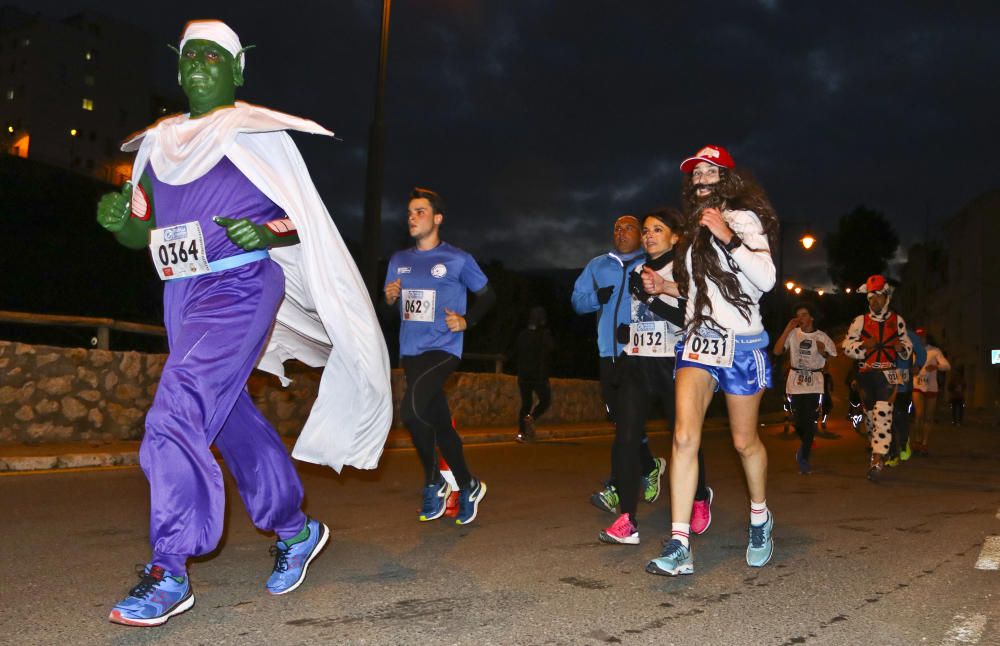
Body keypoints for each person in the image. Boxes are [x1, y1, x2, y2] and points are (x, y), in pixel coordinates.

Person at [96, 21, 392, 627]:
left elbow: (299, 220)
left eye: (212, 56)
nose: (198, 65)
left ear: (237, 69)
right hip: (181, 295)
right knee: (227, 417)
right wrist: (118, 224)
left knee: (175, 410)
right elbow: (141, 228)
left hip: (240, 286)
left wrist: (263, 232)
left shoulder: (256, 135)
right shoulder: (158, 143)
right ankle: (295, 526)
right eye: (189, 57)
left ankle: (169, 567)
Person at [646, 145, 778, 577]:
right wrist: (665, 289)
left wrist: (728, 235)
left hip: (742, 345)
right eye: (695, 174)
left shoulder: (742, 220)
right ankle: (679, 543)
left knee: (744, 442)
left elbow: (766, 280)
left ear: (726, 179)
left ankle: (760, 517)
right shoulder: (689, 235)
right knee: (685, 438)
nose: (701, 178)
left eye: (709, 171)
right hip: (698, 343)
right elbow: (702, 293)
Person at [598, 208, 713, 545]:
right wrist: (625, 332)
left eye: (657, 230)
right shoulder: (635, 268)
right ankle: (627, 519)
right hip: (638, 361)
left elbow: (688, 317)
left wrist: (651, 295)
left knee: (684, 438)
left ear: (675, 236)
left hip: (676, 364)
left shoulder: (685, 271)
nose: (648, 236)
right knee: (626, 437)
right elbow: (636, 316)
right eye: (646, 230)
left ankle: (699, 496)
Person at [384, 187, 496, 525]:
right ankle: (468, 484)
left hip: (444, 348)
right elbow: (391, 312)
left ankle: (433, 483)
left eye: (419, 211)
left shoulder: (457, 259)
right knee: (439, 423)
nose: (412, 218)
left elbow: (488, 297)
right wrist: (389, 299)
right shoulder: (398, 261)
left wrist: (467, 321)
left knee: (412, 413)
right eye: (409, 213)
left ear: (437, 219)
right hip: (411, 351)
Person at [571, 216, 667, 513]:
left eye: (627, 228)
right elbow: (577, 300)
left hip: (639, 354)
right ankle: (650, 466)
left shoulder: (652, 264)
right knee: (622, 422)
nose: (620, 232)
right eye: (616, 228)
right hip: (606, 353)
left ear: (641, 234)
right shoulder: (598, 265)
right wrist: (594, 299)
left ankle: (615, 488)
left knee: (627, 422)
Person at [842, 275, 913, 481]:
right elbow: (847, 346)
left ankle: (877, 459)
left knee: (884, 414)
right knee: (872, 418)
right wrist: (863, 346)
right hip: (866, 374)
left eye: (878, 298)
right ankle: (880, 449)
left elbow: (907, 346)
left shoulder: (897, 321)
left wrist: (902, 349)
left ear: (886, 297)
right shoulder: (859, 321)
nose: (875, 302)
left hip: (888, 374)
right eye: (871, 298)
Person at [772, 304, 836, 474]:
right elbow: (777, 351)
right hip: (795, 383)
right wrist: (787, 329)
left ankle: (803, 457)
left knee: (809, 421)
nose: (801, 318)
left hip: (814, 383)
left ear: (811, 317)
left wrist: (823, 353)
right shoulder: (793, 334)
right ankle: (806, 443)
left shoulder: (821, 336)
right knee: (798, 421)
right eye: (798, 315)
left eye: (804, 314)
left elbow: (831, 357)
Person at [886, 326, 925, 466]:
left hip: (903, 382)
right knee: (887, 418)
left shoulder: (908, 334)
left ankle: (903, 443)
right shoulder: (881, 332)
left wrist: (918, 365)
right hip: (885, 380)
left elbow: (921, 352)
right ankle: (892, 453)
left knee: (899, 415)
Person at [515, 306, 554, 442]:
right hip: (538, 375)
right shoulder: (543, 335)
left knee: (526, 403)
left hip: (523, 375)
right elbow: (551, 348)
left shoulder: (522, 335)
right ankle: (531, 418)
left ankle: (521, 433)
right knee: (545, 400)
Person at [910, 328, 951, 455]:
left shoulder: (934, 351)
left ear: (926, 338)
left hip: (932, 387)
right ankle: (917, 441)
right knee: (919, 415)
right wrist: (912, 370)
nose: (920, 339)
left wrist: (936, 366)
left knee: (928, 417)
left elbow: (947, 366)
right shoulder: (912, 351)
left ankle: (924, 443)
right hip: (917, 386)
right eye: (917, 337)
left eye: (922, 337)